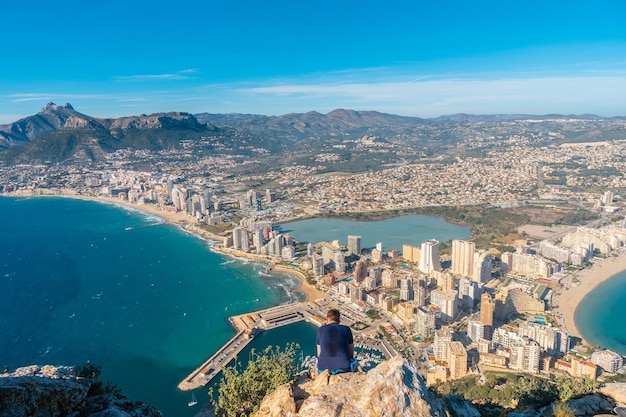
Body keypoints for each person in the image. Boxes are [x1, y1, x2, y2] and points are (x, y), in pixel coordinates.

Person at [316, 308, 355, 375]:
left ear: (327, 319)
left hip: (323, 368)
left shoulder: (320, 330)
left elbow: (319, 354)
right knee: (354, 362)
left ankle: (318, 382)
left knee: (316, 369)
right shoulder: (346, 329)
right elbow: (351, 354)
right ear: (339, 321)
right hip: (343, 367)